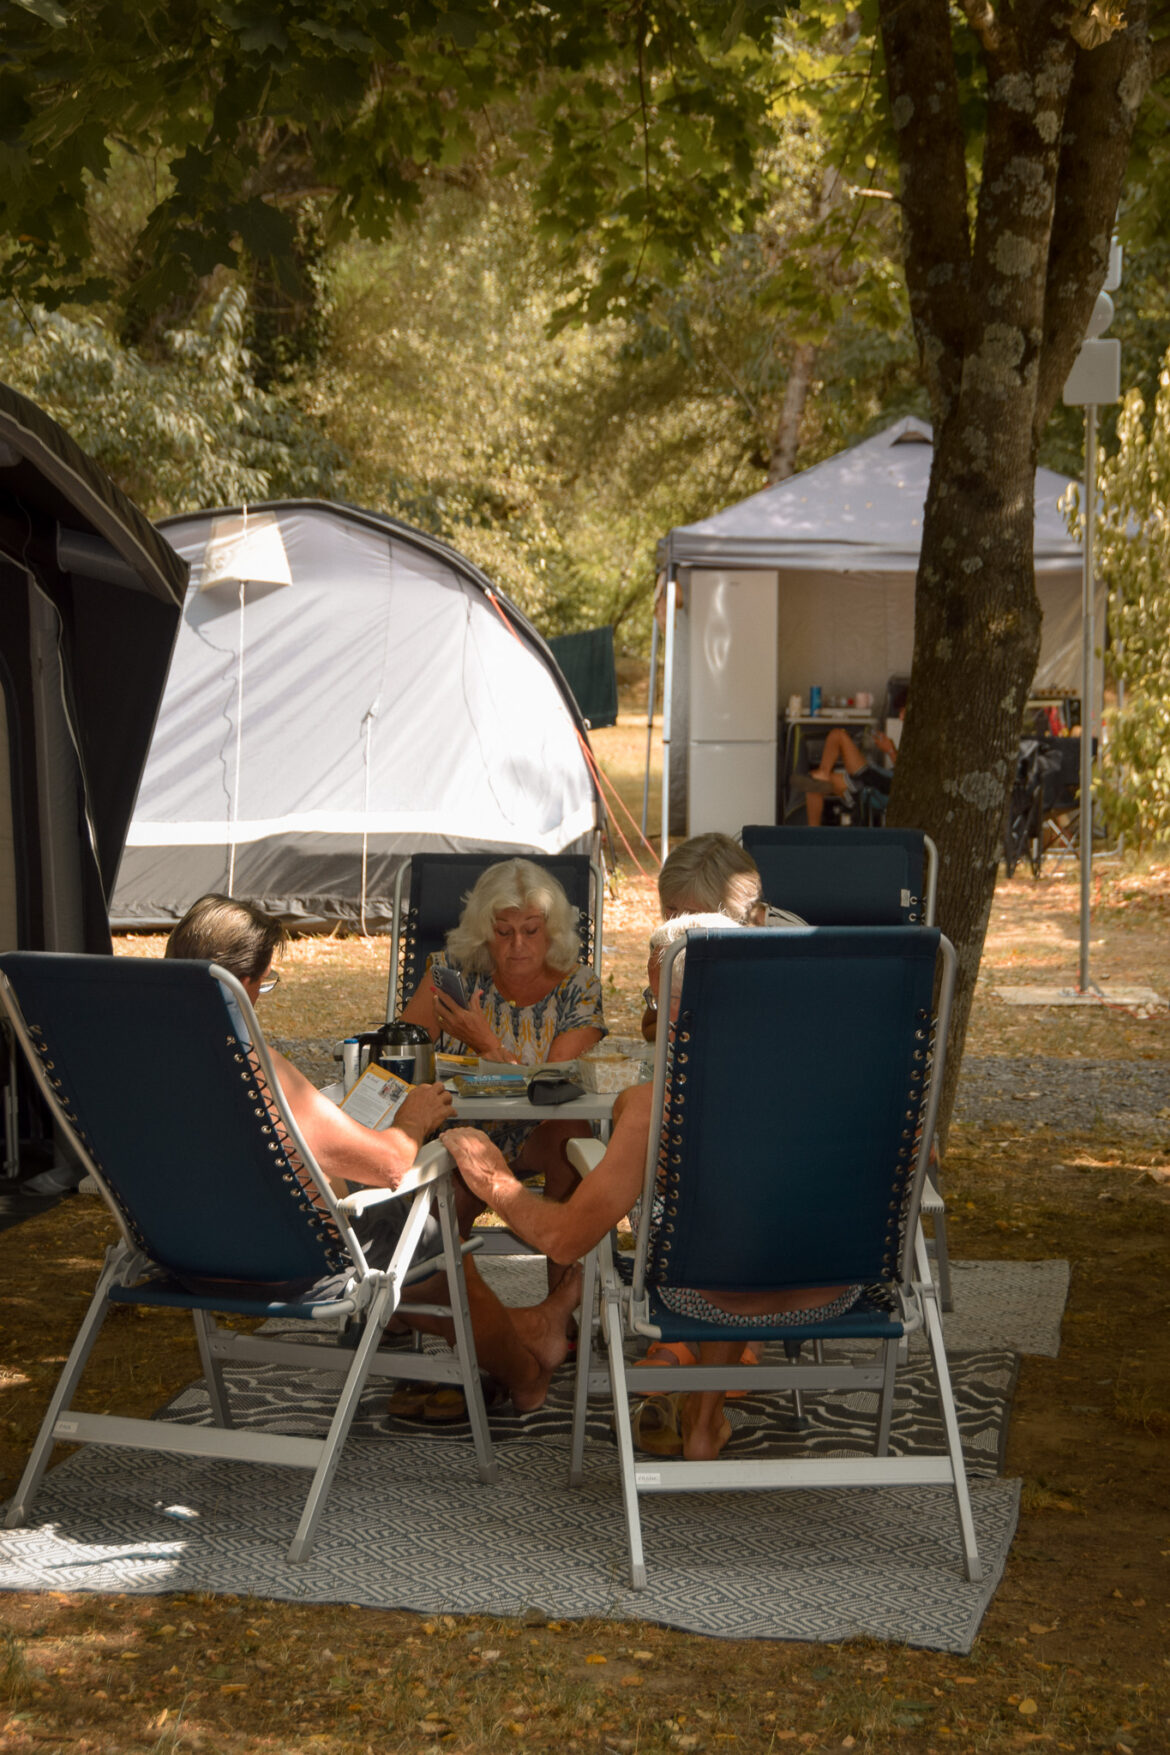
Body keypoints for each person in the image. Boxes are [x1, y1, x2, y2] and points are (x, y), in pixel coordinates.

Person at [445, 913, 858, 1463]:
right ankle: (705, 1419)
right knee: (741, 1226)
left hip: (707, 1293)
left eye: (654, 1000)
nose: (651, 1016)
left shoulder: (657, 1105)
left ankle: (674, 1394)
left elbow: (565, 1241)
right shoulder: (849, 1082)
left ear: (678, 1009)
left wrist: (491, 1176)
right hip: (838, 1290)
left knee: (718, 1256)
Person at [165, 894, 580, 1413]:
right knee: (430, 1244)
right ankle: (525, 1372)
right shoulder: (253, 1067)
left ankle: (532, 1329)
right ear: (241, 985)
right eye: (264, 983)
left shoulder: (142, 1066)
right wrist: (416, 1116)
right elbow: (388, 1164)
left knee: (419, 1274)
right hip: (290, 1257)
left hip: (181, 1251)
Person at [400, 857, 606, 1278]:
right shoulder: (451, 973)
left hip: (540, 1130)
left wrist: (487, 1044)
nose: (518, 945)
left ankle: (561, 1314)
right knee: (449, 1201)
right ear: (483, 932)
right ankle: (434, 1310)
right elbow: (402, 1061)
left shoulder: (578, 986)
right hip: (460, 1130)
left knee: (573, 1136)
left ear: (551, 930)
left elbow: (553, 1087)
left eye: (531, 930)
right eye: (503, 932)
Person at [794, 691, 907, 827]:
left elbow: (908, 778)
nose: (900, 717)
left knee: (837, 738)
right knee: (814, 778)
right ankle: (823, 774)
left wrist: (890, 750)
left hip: (885, 786)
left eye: (902, 712)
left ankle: (812, 833)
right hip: (878, 779)